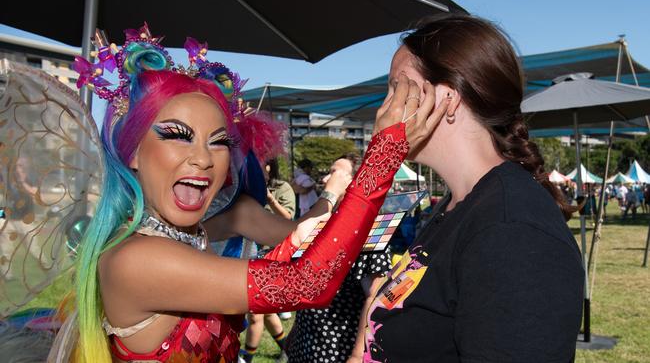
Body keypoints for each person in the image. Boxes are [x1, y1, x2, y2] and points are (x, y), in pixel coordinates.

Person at [46, 24, 447, 363]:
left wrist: (293, 240)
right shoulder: (136, 258)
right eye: (177, 136)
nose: (203, 159)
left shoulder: (175, 239)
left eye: (218, 142)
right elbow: (305, 285)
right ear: (132, 152)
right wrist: (383, 153)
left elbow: (256, 278)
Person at [355, 15, 584, 362]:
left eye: (395, 88)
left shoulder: (511, 230)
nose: (383, 108)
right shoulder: (456, 207)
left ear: (446, 99)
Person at [286, 153, 391, 363]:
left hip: (337, 350)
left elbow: (375, 295)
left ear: (357, 181)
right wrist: (295, 333)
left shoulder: (372, 227)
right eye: (328, 173)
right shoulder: (322, 222)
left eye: (336, 173)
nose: (326, 180)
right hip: (305, 344)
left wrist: (357, 353)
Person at [240, 159, 294, 363]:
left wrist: (270, 200)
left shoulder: (283, 188)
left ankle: (248, 357)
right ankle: (286, 347)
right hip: (253, 254)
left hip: (275, 256)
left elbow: (289, 218)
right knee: (267, 312)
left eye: (264, 166)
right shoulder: (245, 192)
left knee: (256, 313)